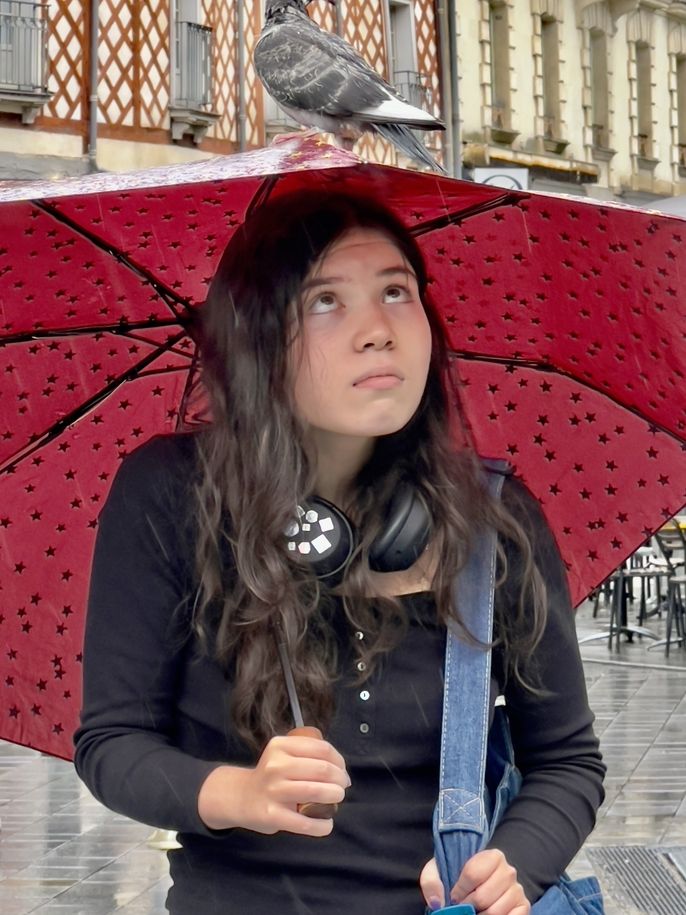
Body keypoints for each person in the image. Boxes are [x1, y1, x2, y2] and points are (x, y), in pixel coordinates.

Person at [74, 189, 605, 915]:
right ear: (258, 338)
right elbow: (113, 742)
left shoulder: (491, 520)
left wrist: (513, 866)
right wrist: (241, 792)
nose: (378, 330)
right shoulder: (169, 495)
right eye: (326, 301)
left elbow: (567, 761)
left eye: (397, 291)